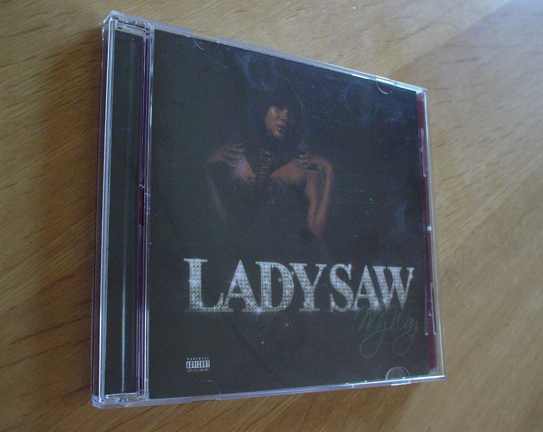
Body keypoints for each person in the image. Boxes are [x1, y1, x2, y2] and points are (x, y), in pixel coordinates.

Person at [205, 86, 334, 260]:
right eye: (279, 107)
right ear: (263, 110)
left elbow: (316, 231)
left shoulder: (303, 166)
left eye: (291, 112)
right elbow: (220, 222)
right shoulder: (235, 156)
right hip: (240, 259)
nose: (285, 116)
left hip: (288, 261)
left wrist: (329, 172)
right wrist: (209, 167)